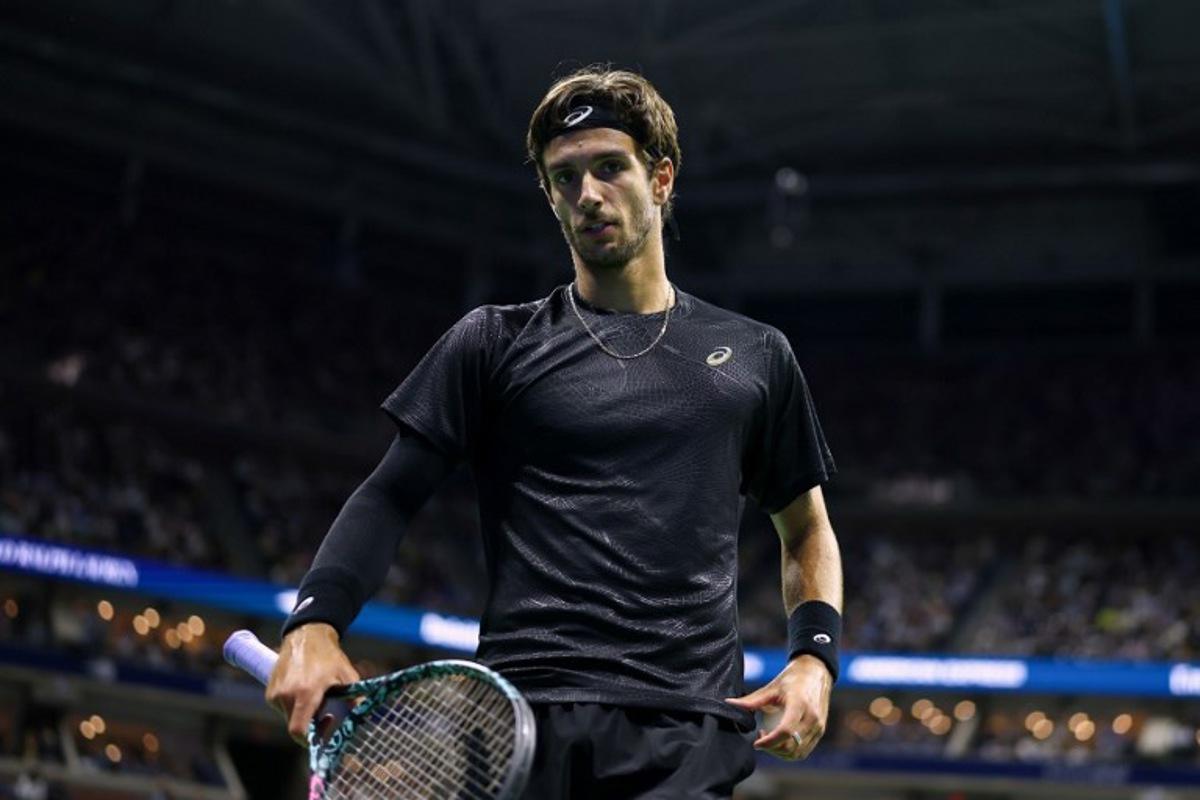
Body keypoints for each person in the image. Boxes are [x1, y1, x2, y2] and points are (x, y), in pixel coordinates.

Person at [266, 66, 842, 799]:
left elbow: (807, 529)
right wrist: (314, 625)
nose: (588, 196)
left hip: (686, 734)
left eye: (610, 168)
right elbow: (389, 495)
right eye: (565, 177)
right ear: (547, 195)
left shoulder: (758, 355)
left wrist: (814, 659)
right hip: (519, 725)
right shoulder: (491, 342)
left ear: (661, 178)